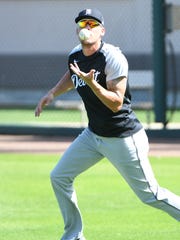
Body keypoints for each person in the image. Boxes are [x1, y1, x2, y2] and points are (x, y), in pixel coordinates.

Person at [35, 8, 180, 240]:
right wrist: (52, 93)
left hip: (123, 137)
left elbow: (116, 103)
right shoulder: (75, 55)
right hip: (94, 136)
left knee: (150, 195)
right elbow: (71, 76)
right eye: (83, 24)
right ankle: (74, 235)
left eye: (92, 24)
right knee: (59, 176)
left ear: (102, 31)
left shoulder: (112, 57)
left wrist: (93, 84)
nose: (86, 28)